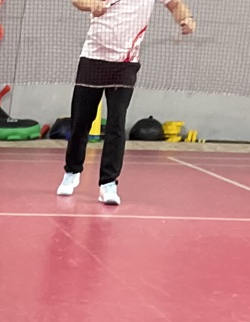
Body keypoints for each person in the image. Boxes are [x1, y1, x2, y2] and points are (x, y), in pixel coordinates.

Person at [58, 0, 195, 205]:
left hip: (125, 63)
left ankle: (108, 183)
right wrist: (92, 5)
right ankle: (72, 171)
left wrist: (186, 18)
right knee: (80, 121)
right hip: (93, 58)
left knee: (116, 124)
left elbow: (175, 4)